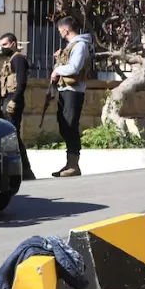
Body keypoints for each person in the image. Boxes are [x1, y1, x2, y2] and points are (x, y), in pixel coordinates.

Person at [50, 16, 94, 177]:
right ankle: (69, 163)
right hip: (64, 91)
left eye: (59, 30)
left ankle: (74, 165)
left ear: (65, 30)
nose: (59, 33)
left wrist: (57, 70)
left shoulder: (80, 45)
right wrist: (58, 61)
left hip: (73, 92)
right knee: (64, 125)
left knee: (70, 126)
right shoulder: (71, 46)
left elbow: (74, 68)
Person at [0, 34, 34, 180]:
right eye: (1, 45)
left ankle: (25, 170)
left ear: (13, 44)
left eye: (5, 45)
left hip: (13, 100)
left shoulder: (18, 59)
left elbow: (21, 82)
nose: (2, 48)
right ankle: (22, 170)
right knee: (10, 136)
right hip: (7, 99)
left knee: (13, 136)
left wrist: (14, 101)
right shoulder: (10, 60)